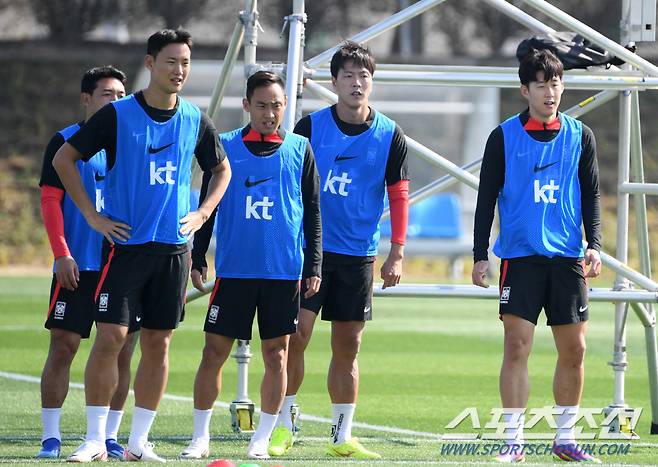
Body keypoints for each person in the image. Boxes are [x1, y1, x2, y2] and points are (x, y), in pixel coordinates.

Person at [52, 28, 231, 463]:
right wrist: (93, 217)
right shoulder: (118, 116)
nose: (180, 71)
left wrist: (203, 213)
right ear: (150, 64)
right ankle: (95, 438)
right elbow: (64, 160)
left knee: (158, 344)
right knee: (111, 336)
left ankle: (137, 442)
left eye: (186, 63)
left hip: (173, 251)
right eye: (171, 61)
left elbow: (221, 170)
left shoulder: (194, 119)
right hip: (126, 247)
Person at [268, 40, 409, 459]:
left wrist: (397, 251)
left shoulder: (389, 134)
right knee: (296, 336)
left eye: (364, 76)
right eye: (348, 75)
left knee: (348, 346)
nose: (356, 83)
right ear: (334, 82)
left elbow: (399, 195)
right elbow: (289, 186)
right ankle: (284, 424)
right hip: (311, 252)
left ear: (372, 82)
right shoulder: (311, 128)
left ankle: (341, 435)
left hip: (358, 256)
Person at [180, 70, 322, 461]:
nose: (269, 112)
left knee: (277, 353)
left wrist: (314, 265)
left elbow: (312, 211)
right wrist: (198, 256)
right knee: (213, 352)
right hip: (235, 271)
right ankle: (200, 436)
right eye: (261, 104)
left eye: (276, 104)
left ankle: (262, 435)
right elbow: (208, 204)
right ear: (246, 105)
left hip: (282, 273)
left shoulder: (300, 149)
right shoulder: (224, 148)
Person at [471, 49, 602, 464]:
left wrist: (594, 244)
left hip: (566, 259)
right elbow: (486, 198)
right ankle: (513, 442)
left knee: (575, 349)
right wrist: (479, 255)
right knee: (517, 346)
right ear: (525, 89)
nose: (551, 92)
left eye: (556, 83)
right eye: (542, 84)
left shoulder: (581, 136)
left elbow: (592, 196)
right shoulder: (503, 136)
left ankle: (565, 438)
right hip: (521, 258)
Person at [36, 65, 138, 461]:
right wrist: (61, 252)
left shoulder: (130, 143)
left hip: (122, 264)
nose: (115, 102)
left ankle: (110, 436)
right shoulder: (64, 142)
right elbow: (50, 201)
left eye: (120, 96)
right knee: (63, 346)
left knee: (122, 349)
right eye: (107, 95)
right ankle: (50, 436)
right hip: (77, 264)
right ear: (86, 99)